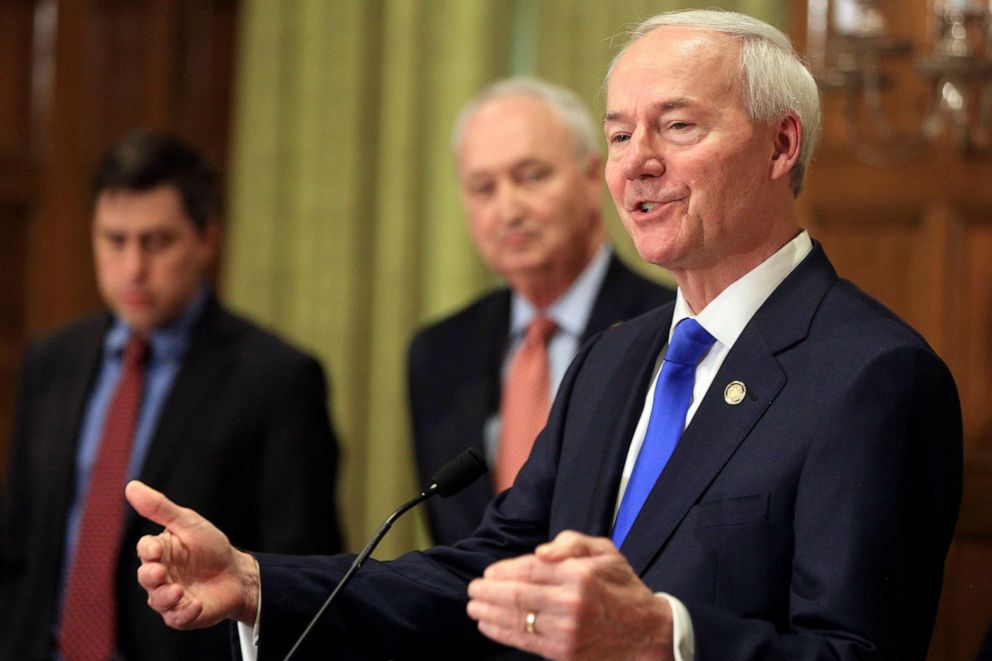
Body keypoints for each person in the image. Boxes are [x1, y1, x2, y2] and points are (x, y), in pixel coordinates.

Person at [125, 10, 962, 660]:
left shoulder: (873, 376)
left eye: (676, 126)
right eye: (620, 132)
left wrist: (662, 636)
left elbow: (857, 649)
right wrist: (255, 580)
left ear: (782, 144)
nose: (637, 161)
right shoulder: (616, 359)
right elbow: (484, 573)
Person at [0, 130, 345, 660]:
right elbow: (20, 545)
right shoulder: (53, 361)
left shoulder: (276, 378)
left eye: (156, 242)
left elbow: (301, 571)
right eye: (114, 240)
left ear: (206, 239)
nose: (134, 268)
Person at [409, 77, 674, 545]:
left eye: (531, 177)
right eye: (483, 188)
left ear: (593, 177)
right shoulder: (438, 351)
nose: (508, 210)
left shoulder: (671, 326)